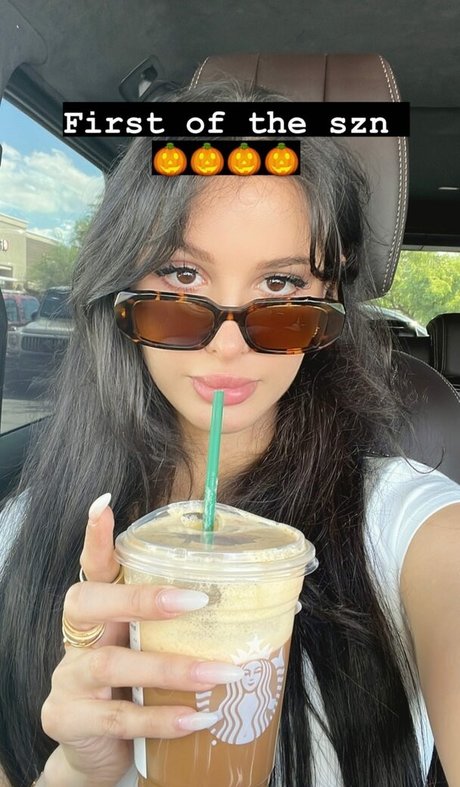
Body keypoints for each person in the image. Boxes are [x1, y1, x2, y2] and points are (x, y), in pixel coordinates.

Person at [0, 79, 459, 787]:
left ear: (327, 303)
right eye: (183, 275)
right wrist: (74, 774)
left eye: (280, 287)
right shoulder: (21, 536)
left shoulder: (408, 529)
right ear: (121, 291)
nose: (228, 345)